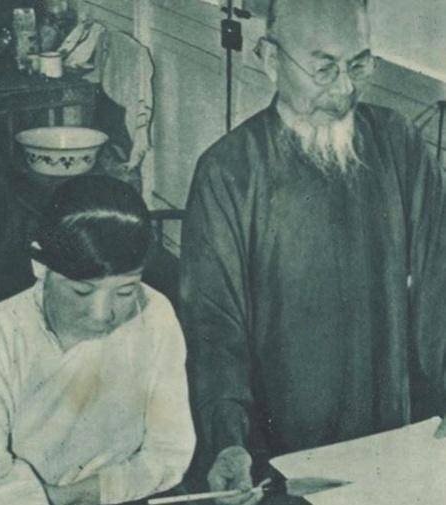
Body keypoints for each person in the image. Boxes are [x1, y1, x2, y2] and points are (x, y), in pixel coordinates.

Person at [180, 0, 446, 502]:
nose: (344, 90)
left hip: (390, 435)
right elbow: (215, 328)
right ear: (270, 59)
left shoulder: (398, 143)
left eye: (358, 65)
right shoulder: (229, 172)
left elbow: (441, 283)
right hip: (278, 447)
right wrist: (228, 441)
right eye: (324, 69)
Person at [0, 175, 196, 505]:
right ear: (40, 265)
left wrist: (78, 495)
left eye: (125, 291)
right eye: (81, 291)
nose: (102, 315)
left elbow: (169, 450)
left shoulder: (153, 315)